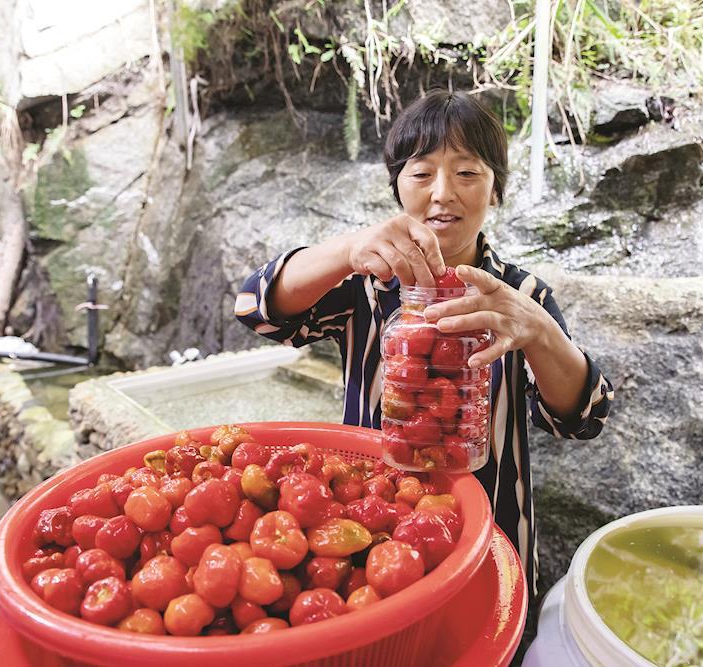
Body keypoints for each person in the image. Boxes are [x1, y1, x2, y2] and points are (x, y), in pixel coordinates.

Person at [234, 89, 614, 598]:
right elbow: (257, 310)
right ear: (397, 188)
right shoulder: (363, 282)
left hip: (493, 526)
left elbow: (581, 418)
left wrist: (540, 330)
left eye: (467, 173)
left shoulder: (521, 296)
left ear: (495, 190)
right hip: (371, 519)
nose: (442, 193)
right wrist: (348, 250)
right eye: (421, 173)